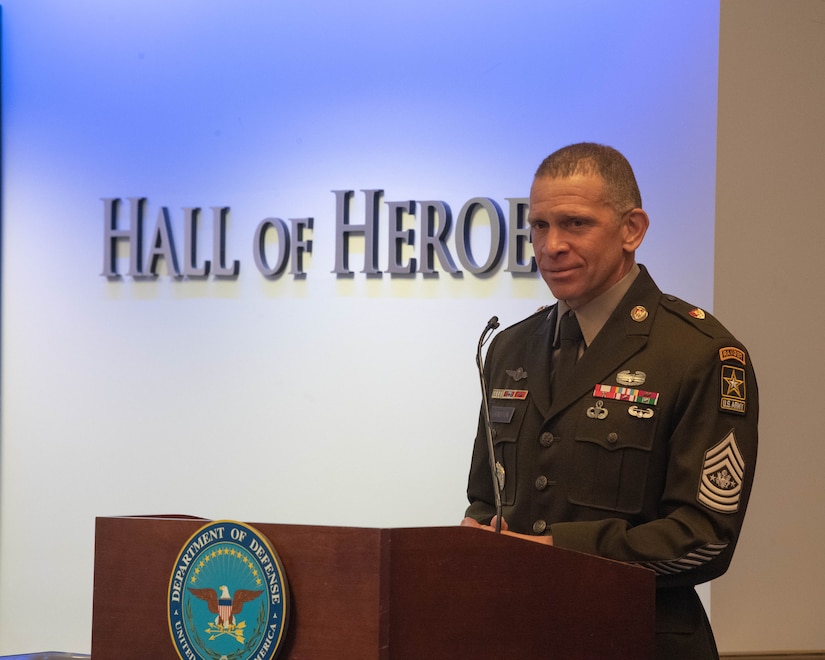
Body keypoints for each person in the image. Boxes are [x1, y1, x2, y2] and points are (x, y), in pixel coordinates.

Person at [461, 143, 758, 660]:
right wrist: (475, 537)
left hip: (638, 639)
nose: (551, 245)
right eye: (539, 226)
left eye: (575, 224)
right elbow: (487, 498)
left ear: (632, 230)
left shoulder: (699, 354)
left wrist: (561, 553)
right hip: (517, 637)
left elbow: (706, 537)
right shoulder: (509, 346)